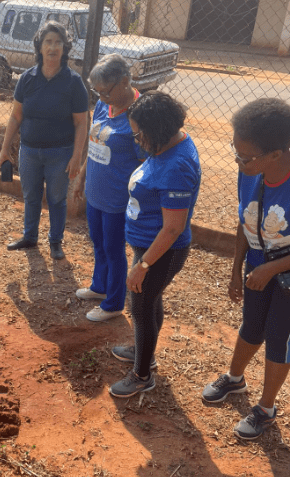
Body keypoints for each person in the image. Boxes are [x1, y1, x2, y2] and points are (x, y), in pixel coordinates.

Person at [202, 98, 290, 440]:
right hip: (256, 266)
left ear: (275, 155)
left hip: (287, 277)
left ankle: (266, 409)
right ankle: (235, 379)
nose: (238, 161)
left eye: (245, 156)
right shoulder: (250, 173)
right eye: (234, 151)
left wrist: (272, 270)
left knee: (279, 340)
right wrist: (236, 268)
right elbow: (245, 220)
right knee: (251, 325)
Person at [109, 91, 201, 398]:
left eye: (139, 134)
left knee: (141, 307)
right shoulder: (168, 145)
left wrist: (143, 265)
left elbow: (173, 228)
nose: (137, 140)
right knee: (149, 302)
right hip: (148, 246)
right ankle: (142, 350)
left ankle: (142, 374)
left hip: (161, 252)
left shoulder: (177, 166)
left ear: (158, 131)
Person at [0, 21, 88, 260]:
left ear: (65, 48)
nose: (53, 47)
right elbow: (16, 116)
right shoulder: (27, 79)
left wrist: (77, 155)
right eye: (48, 42)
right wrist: (5, 149)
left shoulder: (73, 82)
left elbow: (81, 123)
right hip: (29, 151)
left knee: (57, 199)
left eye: (58, 42)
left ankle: (55, 241)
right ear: (39, 47)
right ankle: (30, 237)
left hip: (60, 153)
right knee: (31, 197)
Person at [74, 54, 144, 322]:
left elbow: (144, 161)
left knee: (114, 251)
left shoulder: (138, 115)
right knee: (98, 243)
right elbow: (94, 146)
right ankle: (100, 287)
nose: (101, 97)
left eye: (106, 91)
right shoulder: (106, 106)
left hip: (117, 198)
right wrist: (82, 178)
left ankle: (114, 303)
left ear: (124, 82)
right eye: (97, 91)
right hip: (95, 192)